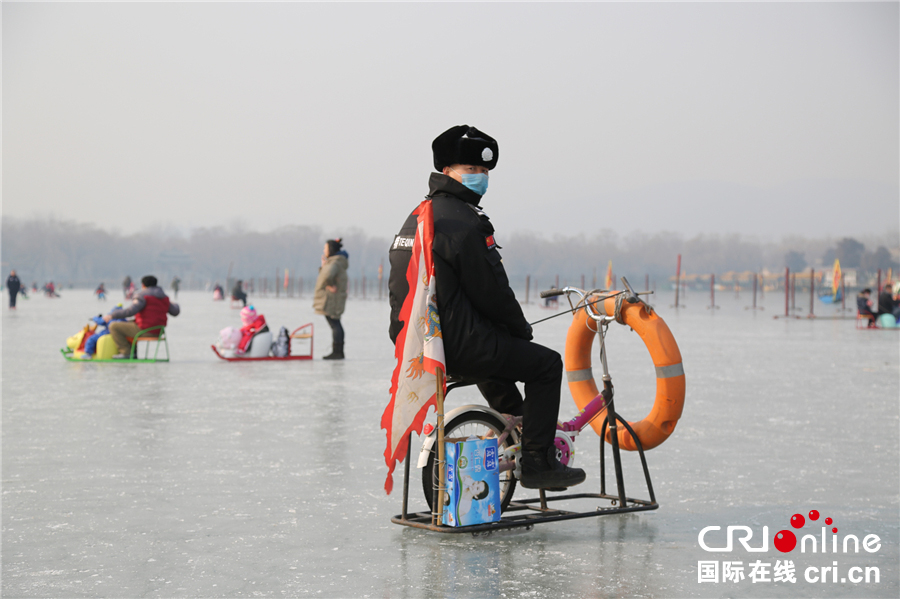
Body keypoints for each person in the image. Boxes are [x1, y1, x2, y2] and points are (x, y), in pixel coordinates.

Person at [388, 125, 585, 490]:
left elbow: (398, 287)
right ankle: (539, 462)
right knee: (545, 365)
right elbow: (493, 291)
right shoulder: (463, 222)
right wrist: (522, 331)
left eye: (484, 172)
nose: (479, 177)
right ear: (446, 170)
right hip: (460, 345)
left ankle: (520, 423)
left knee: (494, 355)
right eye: (471, 170)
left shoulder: (418, 216)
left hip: (421, 346)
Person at [105, 275, 180, 359]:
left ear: (143, 285)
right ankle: (133, 352)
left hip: (144, 330)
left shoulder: (142, 296)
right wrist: (173, 303)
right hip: (159, 332)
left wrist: (112, 315)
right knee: (129, 324)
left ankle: (126, 352)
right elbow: (175, 312)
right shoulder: (164, 297)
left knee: (114, 326)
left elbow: (130, 311)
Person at [313, 238, 349, 360]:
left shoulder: (334, 263)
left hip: (332, 299)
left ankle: (337, 351)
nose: (324, 250)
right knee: (336, 323)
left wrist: (328, 285)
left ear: (331, 249)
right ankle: (338, 350)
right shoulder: (336, 262)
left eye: (325, 248)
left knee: (335, 323)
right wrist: (324, 266)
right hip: (335, 298)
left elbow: (327, 276)